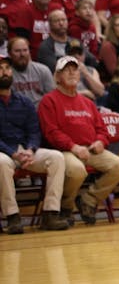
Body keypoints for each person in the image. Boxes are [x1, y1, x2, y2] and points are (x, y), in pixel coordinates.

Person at [37, 56, 119, 225]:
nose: (72, 73)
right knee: (77, 170)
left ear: (80, 75)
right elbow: (51, 132)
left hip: (89, 150)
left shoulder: (88, 103)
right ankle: (65, 207)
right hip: (62, 151)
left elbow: (101, 129)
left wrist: (101, 141)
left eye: (75, 69)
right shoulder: (48, 101)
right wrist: (73, 147)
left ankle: (89, 200)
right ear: (57, 77)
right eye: (67, 70)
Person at [0, 57, 72, 232]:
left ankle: (50, 214)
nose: (4, 72)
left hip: (25, 150)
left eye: (7, 68)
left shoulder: (24, 101)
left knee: (56, 157)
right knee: (0, 163)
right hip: (4, 151)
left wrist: (31, 150)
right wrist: (13, 153)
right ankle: (12, 217)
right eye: (0, 68)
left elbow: (34, 131)